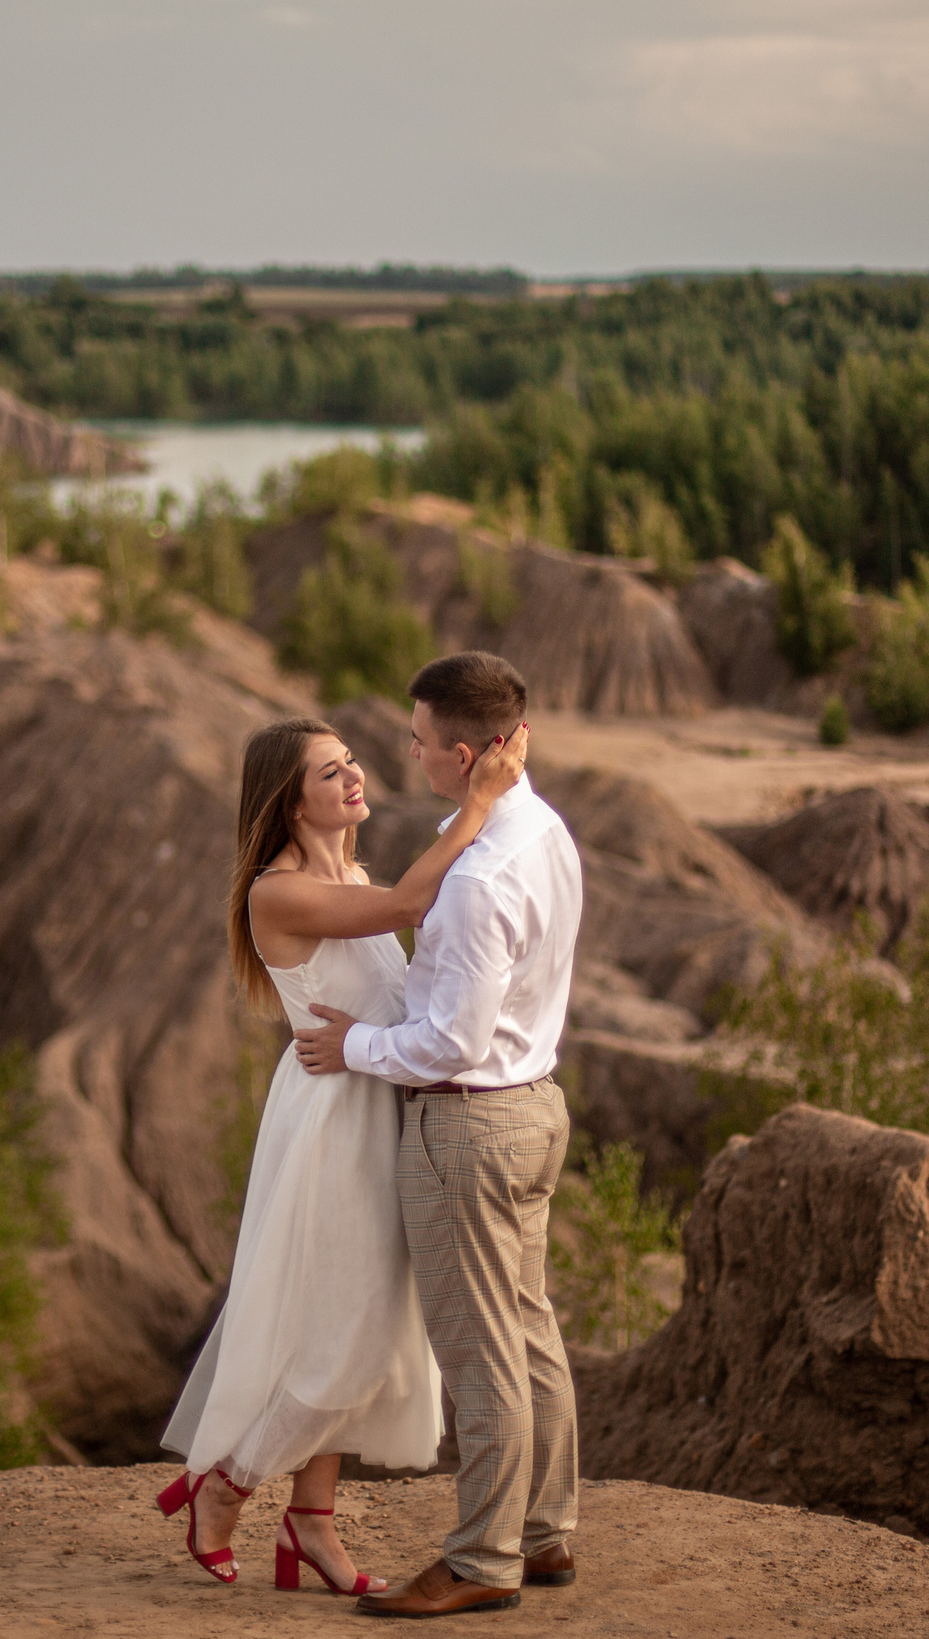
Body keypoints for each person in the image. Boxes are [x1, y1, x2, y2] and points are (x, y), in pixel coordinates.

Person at [157, 710, 531, 1594]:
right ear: (290, 803)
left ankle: (311, 1524)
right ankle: (228, 1482)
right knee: (348, 1328)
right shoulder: (275, 892)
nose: (355, 777)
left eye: (353, 762)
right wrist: (479, 803)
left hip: (377, 1100)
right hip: (333, 1120)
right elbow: (411, 904)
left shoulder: (350, 871)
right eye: (330, 773)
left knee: (368, 1323)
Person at [292, 651, 583, 1618]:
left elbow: (447, 1040)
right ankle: (542, 1537)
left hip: (469, 1127)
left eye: (417, 741)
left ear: (462, 754)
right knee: (531, 1331)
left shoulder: (476, 880)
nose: (405, 753)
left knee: (483, 1351)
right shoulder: (541, 830)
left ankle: (482, 1559)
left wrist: (357, 1043)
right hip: (536, 1104)